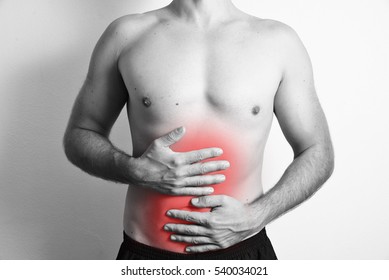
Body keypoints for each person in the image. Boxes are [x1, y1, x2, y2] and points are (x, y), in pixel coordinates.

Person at [63, 0, 334, 260]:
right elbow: (80, 133)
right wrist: (131, 169)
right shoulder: (126, 35)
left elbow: (317, 151)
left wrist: (258, 215)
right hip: (147, 256)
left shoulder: (279, 42)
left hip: (243, 252)